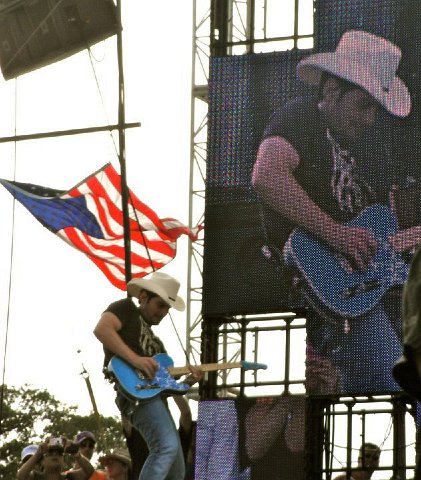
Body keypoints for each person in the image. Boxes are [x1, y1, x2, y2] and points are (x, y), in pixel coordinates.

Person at [252, 29, 415, 394]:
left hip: (364, 289)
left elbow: (382, 234)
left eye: (376, 109)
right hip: (310, 285)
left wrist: (405, 243)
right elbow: (266, 175)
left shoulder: (375, 150)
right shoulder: (300, 117)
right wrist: (338, 234)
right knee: (402, 379)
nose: (370, 119)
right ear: (330, 91)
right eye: (363, 105)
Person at [93, 271, 203, 480]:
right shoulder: (125, 309)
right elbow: (102, 329)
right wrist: (136, 360)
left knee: (176, 468)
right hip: (132, 394)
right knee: (166, 447)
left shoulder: (157, 345)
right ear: (143, 297)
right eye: (160, 305)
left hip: (152, 397)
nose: (163, 312)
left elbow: (164, 386)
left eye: (167, 308)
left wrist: (188, 381)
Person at [16, 436, 93, 480]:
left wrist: (75, 453)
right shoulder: (36, 477)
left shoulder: (69, 477)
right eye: (50, 452)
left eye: (59, 452)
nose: (55, 454)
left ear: (63, 461)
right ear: (42, 461)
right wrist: (37, 454)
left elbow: (90, 471)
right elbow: (21, 477)